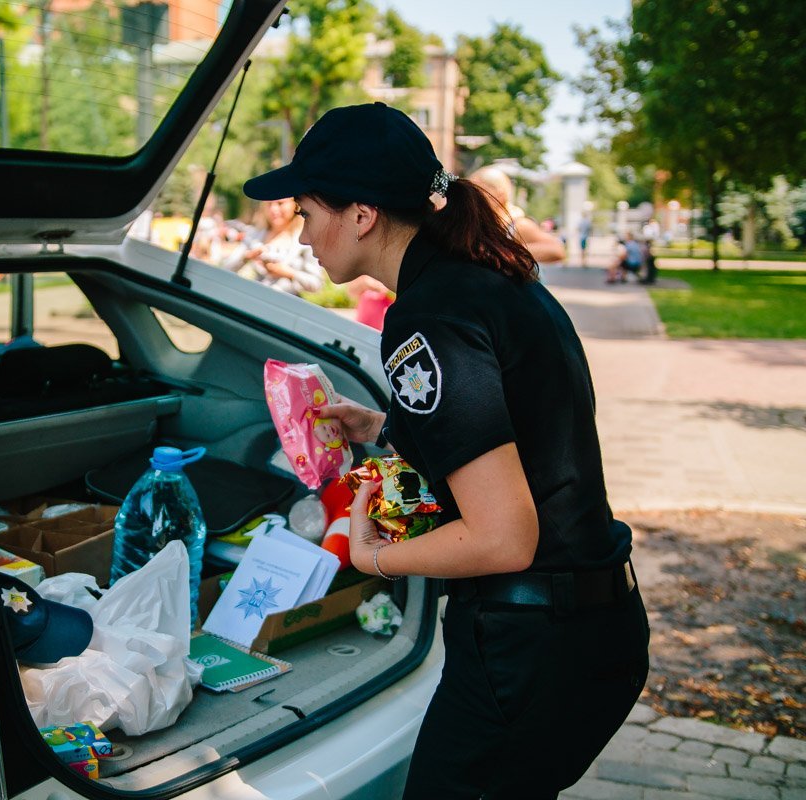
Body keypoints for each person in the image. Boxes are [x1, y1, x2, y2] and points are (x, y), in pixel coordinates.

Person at [243, 102, 649, 799]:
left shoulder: (429, 314)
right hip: (587, 628)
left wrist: (373, 557)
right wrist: (381, 430)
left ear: (361, 215)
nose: (303, 236)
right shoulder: (488, 279)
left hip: (527, 648)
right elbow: (503, 435)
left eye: (307, 212)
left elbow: (503, 539)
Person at [223, 197, 324, 296]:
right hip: (253, 298)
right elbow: (226, 269)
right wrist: (247, 257)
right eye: (269, 204)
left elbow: (316, 284)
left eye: (280, 203)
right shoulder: (254, 234)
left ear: (295, 205)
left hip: (283, 305)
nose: (273, 209)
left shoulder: (304, 240)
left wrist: (289, 273)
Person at [469, 166, 566, 266]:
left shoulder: (517, 225)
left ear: (499, 194)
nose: (471, 200)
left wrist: (504, 252)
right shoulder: (479, 224)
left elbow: (557, 250)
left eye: (478, 192)